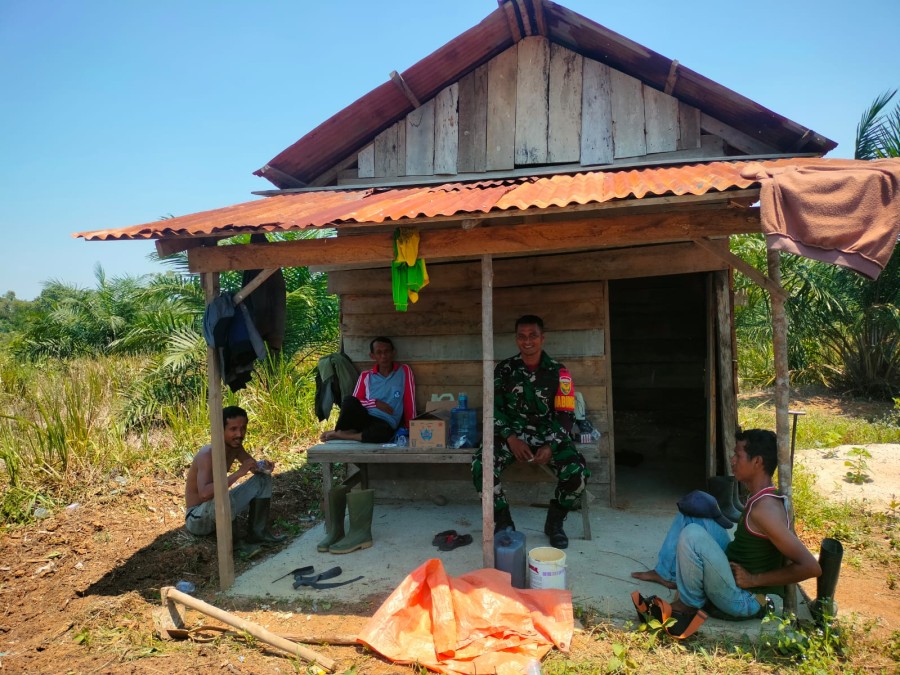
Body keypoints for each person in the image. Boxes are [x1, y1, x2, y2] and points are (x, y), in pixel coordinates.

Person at [631, 428, 822, 621]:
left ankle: (688, 605)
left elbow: (811, 567)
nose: (732, 460)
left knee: (693, 535)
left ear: (757, 462)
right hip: (732, 576)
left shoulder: (766, 510)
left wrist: (753, 580)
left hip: (744, 599)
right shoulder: (759, 497)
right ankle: (666, 574)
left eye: (738, 455)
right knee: (692, 512)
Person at [472, 315, 589, 549]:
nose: (527, 341)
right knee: (481, 466)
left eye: (533, 336)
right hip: (511, 435)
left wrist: (551, 445)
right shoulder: (504, 369)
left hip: (548, 434)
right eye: (522, 336)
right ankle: (503, 521)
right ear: (516, 339)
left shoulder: (559, 371)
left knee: (577, 473)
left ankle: (555, 522)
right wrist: (510, 438)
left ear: (542, 338)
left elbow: (566, 414)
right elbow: (492, 407)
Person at [184, 406, 286, 546]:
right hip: (197, 518)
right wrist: (239, 473)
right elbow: (204, 494)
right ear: (221, 430)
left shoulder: (235, 447)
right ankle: (236, 546)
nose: (239, 434)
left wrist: (263, 467)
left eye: (243, 428)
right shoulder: (207, 454)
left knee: (263, 479)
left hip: (218, 509)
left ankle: (258, 533)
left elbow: (252, 466)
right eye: (233, 429)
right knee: (224, 494)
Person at [320, 336, 416, 443]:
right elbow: (356, 402)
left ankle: (342, 435)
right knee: (348, 401)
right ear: (372, 356)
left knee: (384, 434)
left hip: (385, 422)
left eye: (387, 351)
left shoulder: (404, 371)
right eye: (379, 353)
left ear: (393, 353)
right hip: (365, 417)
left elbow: (409, 401)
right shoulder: (366, 375)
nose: (383, 356)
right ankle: (346, 433)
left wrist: (411, 427)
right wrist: (375, 403)